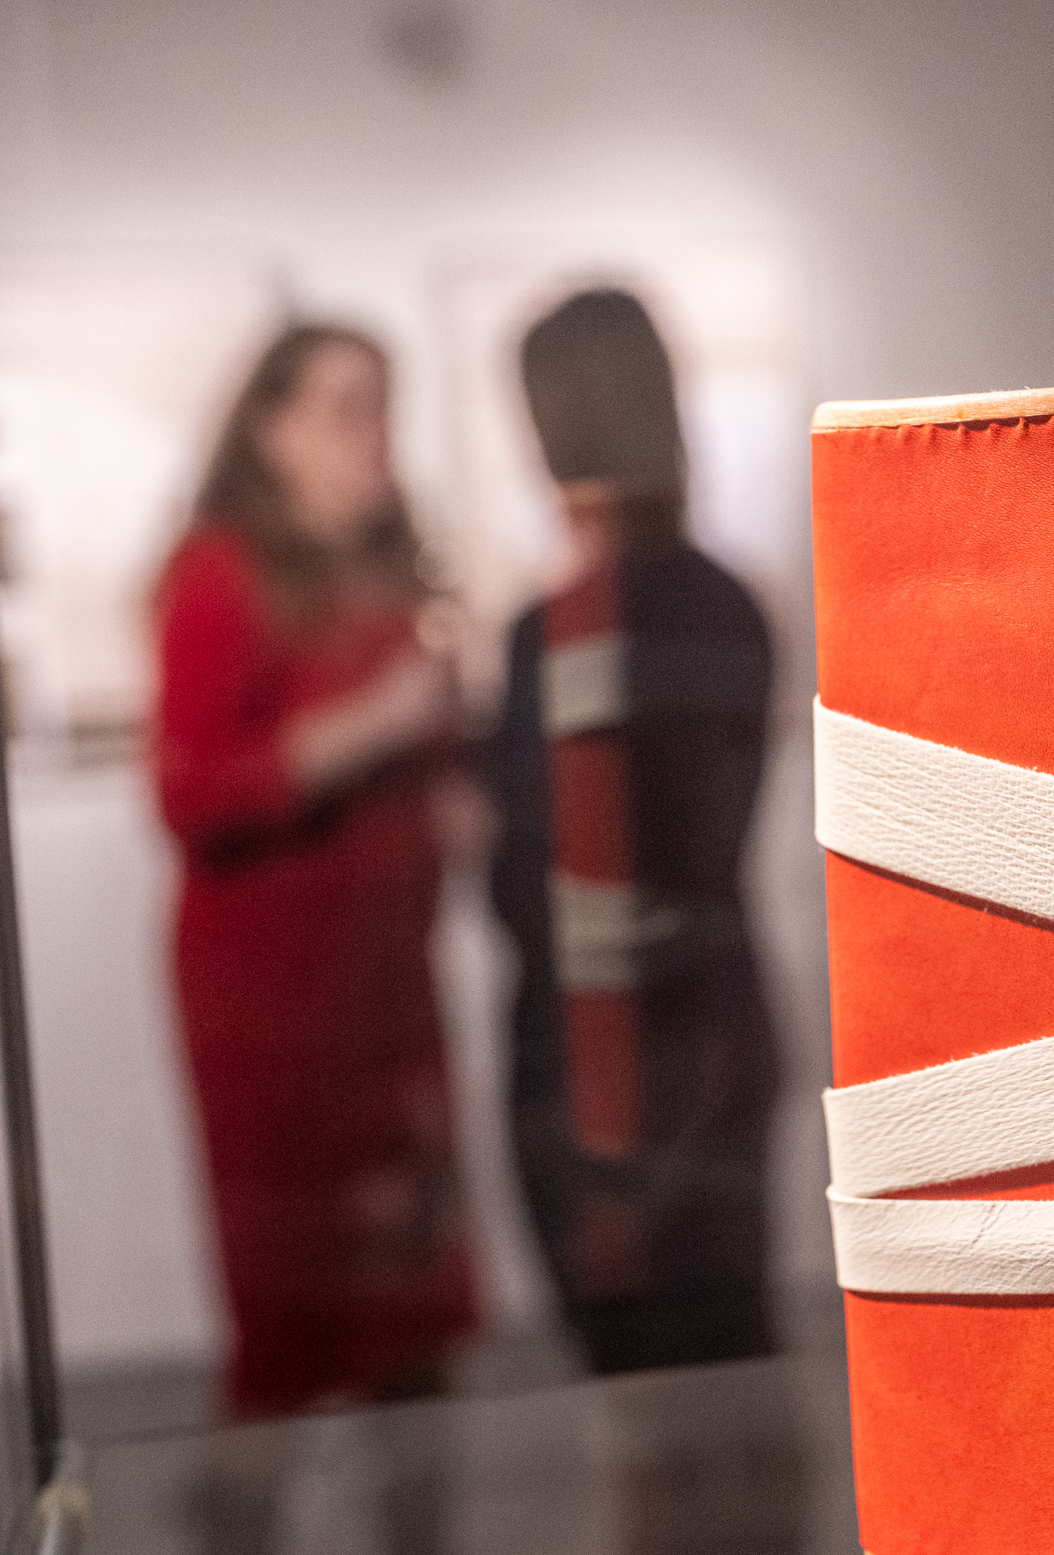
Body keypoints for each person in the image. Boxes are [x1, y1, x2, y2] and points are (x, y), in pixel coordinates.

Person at [153, 323, 479, 1421]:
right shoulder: (219, 576)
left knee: (415, 1317)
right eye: (344, 410)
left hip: (386, 997)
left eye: (381, 408)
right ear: (271, 430)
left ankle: (415, 1539)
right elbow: (193, 793)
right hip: (277, 1013)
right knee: (292, 1331)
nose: (373, 436)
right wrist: (377, 722)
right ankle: (243, 1540)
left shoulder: (385, 578)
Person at [489, 289, 780, 1375]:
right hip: (717, 1024)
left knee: (637, 1370)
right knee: (728, 1358)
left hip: (599, 1056)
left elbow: (534, 886)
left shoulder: (562, 631)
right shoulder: (732, 605)